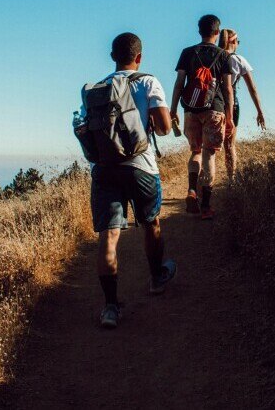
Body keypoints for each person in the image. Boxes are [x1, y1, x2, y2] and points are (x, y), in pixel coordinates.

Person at [80, 32, 176, 329]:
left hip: (106, 169)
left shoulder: (96, 90)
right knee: (151, 222)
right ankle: (157, 277)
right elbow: (163, 129)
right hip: (141, 167)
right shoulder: (149, 81)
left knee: (108, 237)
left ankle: (110, 308)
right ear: (140, 57)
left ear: (112, 56)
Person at [170, 14, 234, 220]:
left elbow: (179, 83)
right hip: (214, 109)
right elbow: (227, 89)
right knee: (209, 155)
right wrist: (230, 116)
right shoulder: (224, 56)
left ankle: (191, 190)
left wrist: (173, 110)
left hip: (190, 109)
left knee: (195, 152)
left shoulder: (187, 53)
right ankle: (206, 206)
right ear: (217, 32)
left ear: (199, 31)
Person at [218, 28, 266, 179]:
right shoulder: (239, 60)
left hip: (214, 103)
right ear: (232, 41)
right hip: (232, 104)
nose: (238, 44)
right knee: (229, 145)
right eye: (238, 41)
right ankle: (231, 180)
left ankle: (204, 183)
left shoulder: (215, 56)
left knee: (208, 147)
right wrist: (260, 111)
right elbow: (252, 88)